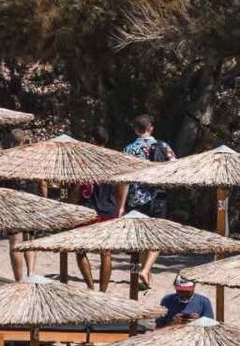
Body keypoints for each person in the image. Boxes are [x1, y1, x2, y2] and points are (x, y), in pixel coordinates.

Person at [121, 113, 177, 289]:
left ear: (136, 129)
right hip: (158, 196)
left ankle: (144, 273)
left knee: (142, 238)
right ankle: (146, 271)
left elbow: (124, 180)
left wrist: (121, 206)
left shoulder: (129, 149)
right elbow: (176, 166)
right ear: (150, 128)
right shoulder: (163, 146)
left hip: (136, 198)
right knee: (156, 237)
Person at [75, 178, 127, 291]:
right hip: (107, 210)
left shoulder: (84, 167)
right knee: (105, 253)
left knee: (80, 251)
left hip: (86, 210)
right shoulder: (114, 169)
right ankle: (102, 291)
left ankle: (90, 287)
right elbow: (120, 191)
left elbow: (76, 190)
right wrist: (119, 210)